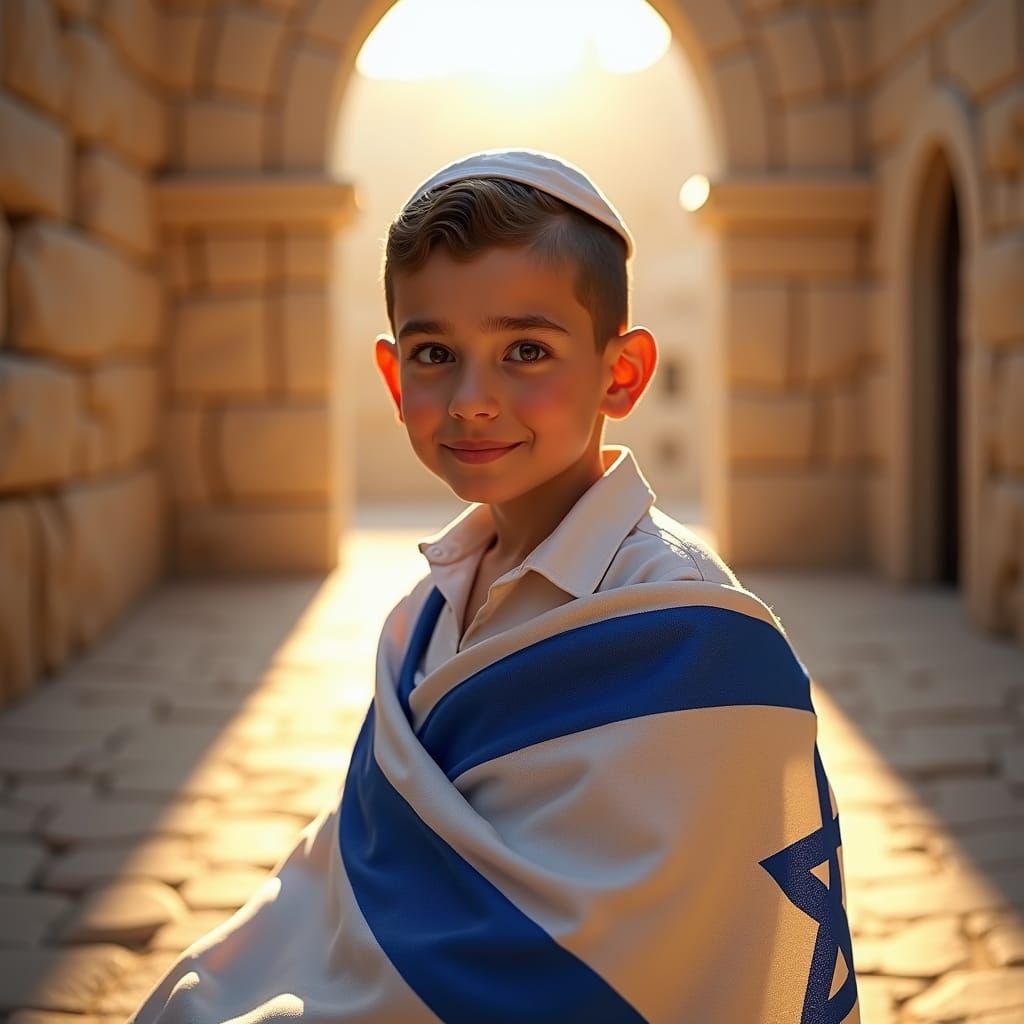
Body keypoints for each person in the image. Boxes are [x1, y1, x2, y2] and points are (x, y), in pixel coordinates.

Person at [132, 149, 859, 1023]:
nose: (473, 399)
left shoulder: (693, 635)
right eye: (435, 352)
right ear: (395, 380)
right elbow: (367, 877)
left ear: (621, 373)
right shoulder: (425, 613)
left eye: (525, 350)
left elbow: (658, 960)